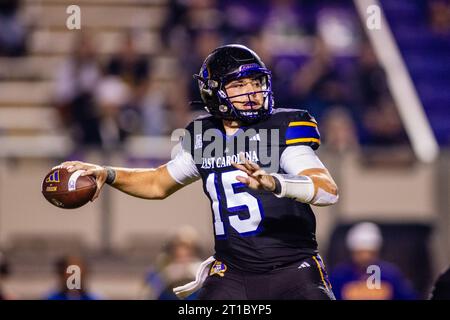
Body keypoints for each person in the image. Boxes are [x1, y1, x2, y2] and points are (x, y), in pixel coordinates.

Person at [57, 44, 339, 300]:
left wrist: (275, 183)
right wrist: (108, 173)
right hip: (233, 274)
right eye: (239, 85)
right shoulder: (204, 135)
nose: (252, 92)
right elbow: (158, 183)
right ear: (214, 91)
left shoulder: (283, 127)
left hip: (292, 269)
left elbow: (327, 190)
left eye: (256, 82)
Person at [329, 222, 416, 300]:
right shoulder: (339, 276)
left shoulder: (391, 275)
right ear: (352, 252)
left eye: (370, 253)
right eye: (360, 253)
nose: (365, 257)